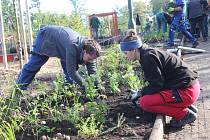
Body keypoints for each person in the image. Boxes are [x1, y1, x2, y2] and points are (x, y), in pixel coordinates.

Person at [120, 29, 200, 128]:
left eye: (125, 53)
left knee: (145, 102)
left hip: (187, 92)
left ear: (133, 49)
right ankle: (185, 107)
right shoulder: (148, 54)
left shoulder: (148, 58)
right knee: (149, 97)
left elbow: (157, 85)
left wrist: (141, 93)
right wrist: (142, 92)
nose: (125, 56)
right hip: (190, 89)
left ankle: (184, 115)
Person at [16, 25, 101, 91]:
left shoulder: (90, 49)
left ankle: (69, 91)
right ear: (85, 51)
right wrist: (86, 86)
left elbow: (92, 70)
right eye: (90, 59)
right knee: (33, 66)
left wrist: (98, 87)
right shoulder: (73, 46)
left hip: (62, 45)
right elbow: (72, 72)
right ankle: (18, 89)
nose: (90, 61)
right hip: (46, 37)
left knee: (70, 76)